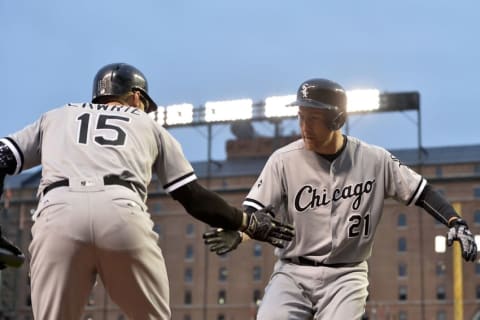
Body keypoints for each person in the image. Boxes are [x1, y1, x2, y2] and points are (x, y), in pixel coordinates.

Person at [0, 62, 294, 320]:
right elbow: (192, 196)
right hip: (121, 212)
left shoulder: (56, 117)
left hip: (57, 213)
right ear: (136, 97)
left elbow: (3, 157)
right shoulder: (147, 124)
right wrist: (246, 222)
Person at [203, 78, 478, 320]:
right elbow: (255, 211)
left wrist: (455, 221)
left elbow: (422, 191)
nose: (304, 126)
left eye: (313, 118)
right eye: (300, 117)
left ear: (337, 120)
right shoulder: (283, 160)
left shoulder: (375, 159)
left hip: (346, 276)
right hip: (292, 273)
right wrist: (239, 232)